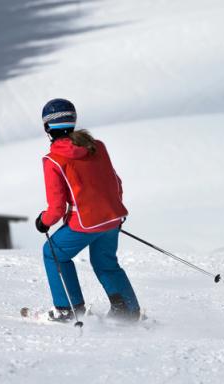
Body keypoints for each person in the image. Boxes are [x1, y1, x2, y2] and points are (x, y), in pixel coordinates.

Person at [35, 98, 141, 321]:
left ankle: (68, 310)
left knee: (52, 253)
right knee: (106, 263)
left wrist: (44, 221)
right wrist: (114, 209)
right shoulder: (97, 146)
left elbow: (56, 207)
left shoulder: (53, 160)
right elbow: (116, 182)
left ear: (47, 127)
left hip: (84, 223)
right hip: (112, 217)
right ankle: (128, 312)